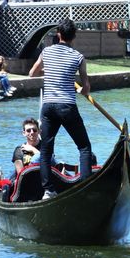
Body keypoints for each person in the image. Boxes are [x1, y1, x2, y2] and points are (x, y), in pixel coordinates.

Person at [28, 19, 93, 200]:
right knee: (84, 147)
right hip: (66, 106)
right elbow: (86, 88)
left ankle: (48, 191)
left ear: (58, 35)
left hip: (48, 107)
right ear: (74, 37)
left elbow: (32, 73)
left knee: (46, 151)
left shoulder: (46, 51)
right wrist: (79, 87)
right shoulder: (78, 57)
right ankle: (86, 187)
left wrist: (49, 72)